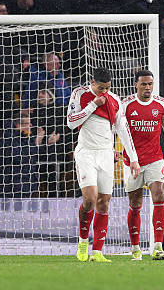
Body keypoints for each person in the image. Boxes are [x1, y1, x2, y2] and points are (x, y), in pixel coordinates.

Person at [67, 67, 140, 263]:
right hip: (86, 153)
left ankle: (97, 252)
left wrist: (133, 158)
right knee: (90, 199)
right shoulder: (79, 94)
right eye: (101, 88)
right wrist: (92, 105)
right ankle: (83, 242)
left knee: (104, 202)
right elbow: (71, 123)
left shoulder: (114, 100)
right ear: (92, 82)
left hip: (106, 155)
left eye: (107, 88)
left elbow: (123, 130)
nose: (104, 92)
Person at [122, 70, 164, 261]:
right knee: (135, 203)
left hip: (155, 159)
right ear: (136, 85)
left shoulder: (161, 104)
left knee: (159, 194)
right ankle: (135, 248)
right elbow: (116, 130)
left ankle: (157, 247)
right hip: (132, 161)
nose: (147, 88)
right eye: (144, 84)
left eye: (150, 84)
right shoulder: (126, 105)